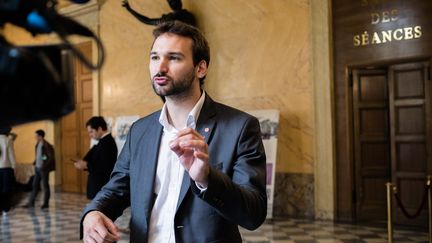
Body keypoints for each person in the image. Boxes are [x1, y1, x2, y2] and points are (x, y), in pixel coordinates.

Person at [80, 21, 267, 243]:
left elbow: (254, 213)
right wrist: (92, 213)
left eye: (174, 58)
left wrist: (207, 179)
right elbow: (117, 189)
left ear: (200, 68)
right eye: (155, 57)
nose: (160, 67)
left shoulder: (240, 127)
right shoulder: (140, 130)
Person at [73, 116, 117, 199]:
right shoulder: (102, 142)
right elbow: (91, 159)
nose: (90, 135)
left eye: (91, 132)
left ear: (100, 129)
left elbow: (105, 167)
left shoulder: (107, 143)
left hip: (101, 187)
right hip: (98, 187)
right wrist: (84, 163)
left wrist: (86, 165)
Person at [24, 129, 55, 209]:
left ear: (40, 136)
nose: (35, 137)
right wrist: (35, 162)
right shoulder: (38, 144)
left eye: (36, 135)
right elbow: (39, 156)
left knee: (45, 186)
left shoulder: (47, 145)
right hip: (37, 168)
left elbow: (50, 158)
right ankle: (31, 203)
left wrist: (44, 166)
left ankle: (46, 204)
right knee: (35, 185)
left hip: (43, 169)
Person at [0, 126, 17, 215]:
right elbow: (11, 155)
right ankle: (6, 209)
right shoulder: (8, 140)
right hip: (6, 168)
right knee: (6, 189)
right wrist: (14, 167)